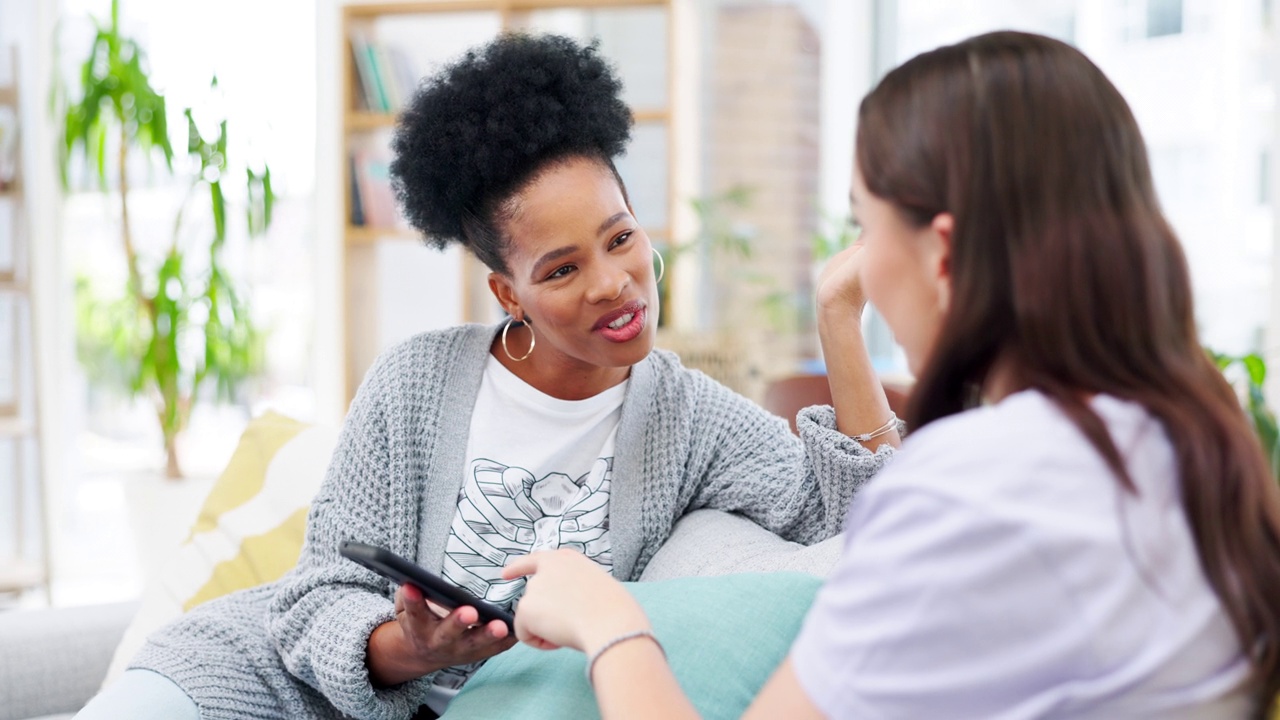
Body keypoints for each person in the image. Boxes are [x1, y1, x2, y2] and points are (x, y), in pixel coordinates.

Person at [75, 34, 901, 720]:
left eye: (620, 239)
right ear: (509, 292)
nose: (614, 283)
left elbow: (858, 521)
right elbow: (316, 592)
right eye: (562, 269)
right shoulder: (416, 381)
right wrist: (410, 647)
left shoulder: (687, 416)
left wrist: (838, 319)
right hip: (260, 682)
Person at [504, 30, 1280, 719]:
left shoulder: (972, 486)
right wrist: (838, 319)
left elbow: (853, 511)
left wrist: (609, 621)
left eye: (866, 226)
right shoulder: (1200, 443)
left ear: (941, 254)